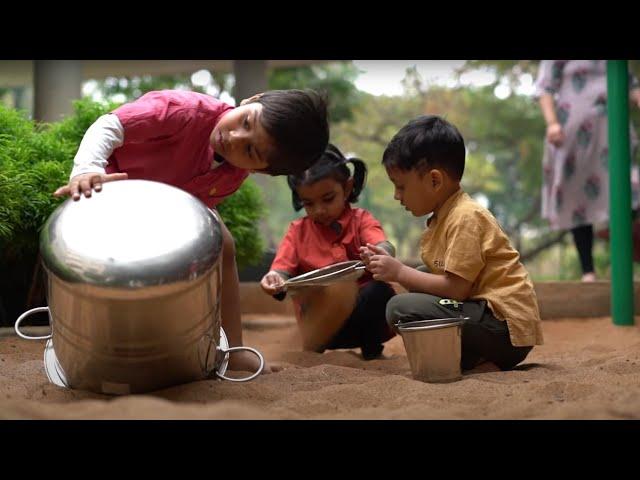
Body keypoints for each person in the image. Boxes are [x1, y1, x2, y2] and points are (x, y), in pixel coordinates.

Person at [53, 88, 329, 374]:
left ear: (260, 170)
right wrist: (87, 169)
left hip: (165, 208)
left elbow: (194, 207)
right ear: (250, 100)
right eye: (245, 122)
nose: (233, 138)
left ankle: (232, 349)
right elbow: (110, 125)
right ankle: (91, 339)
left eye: (250, 150)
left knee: (223, 243)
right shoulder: (185, 111)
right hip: (112, 188)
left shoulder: (233, 174)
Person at [361, 115, 543, 371]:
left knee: (400, 307)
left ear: (435, 180)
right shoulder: (446, 215)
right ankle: (477, 360)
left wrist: (399, 271)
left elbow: (457, 289)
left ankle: (475, 358)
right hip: (486, 316)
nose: (396, 196)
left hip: (503, 327)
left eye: (401, 186)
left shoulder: (465, 217)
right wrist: (394, 270)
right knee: (423, 277)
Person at [260, 144, 396, 360]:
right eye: (308, 203)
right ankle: (313, 352)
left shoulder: (361, 220)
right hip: (321, 328)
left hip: (363, 322)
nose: (319, 210)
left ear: (348, 188)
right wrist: (274, 280)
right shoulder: (297, 231)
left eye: (328, 199)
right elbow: (280, 270)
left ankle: (372, 350)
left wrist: (378, 254)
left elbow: (383, 245)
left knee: (379, 291)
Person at [534, 60, 640, 281]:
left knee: (629, 189)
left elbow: (632, 87)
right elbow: (544, 88)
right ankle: (588, 271)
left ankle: (620, 263)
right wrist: (552, 123)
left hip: (613, 129)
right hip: (572, 132)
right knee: (577, 197)